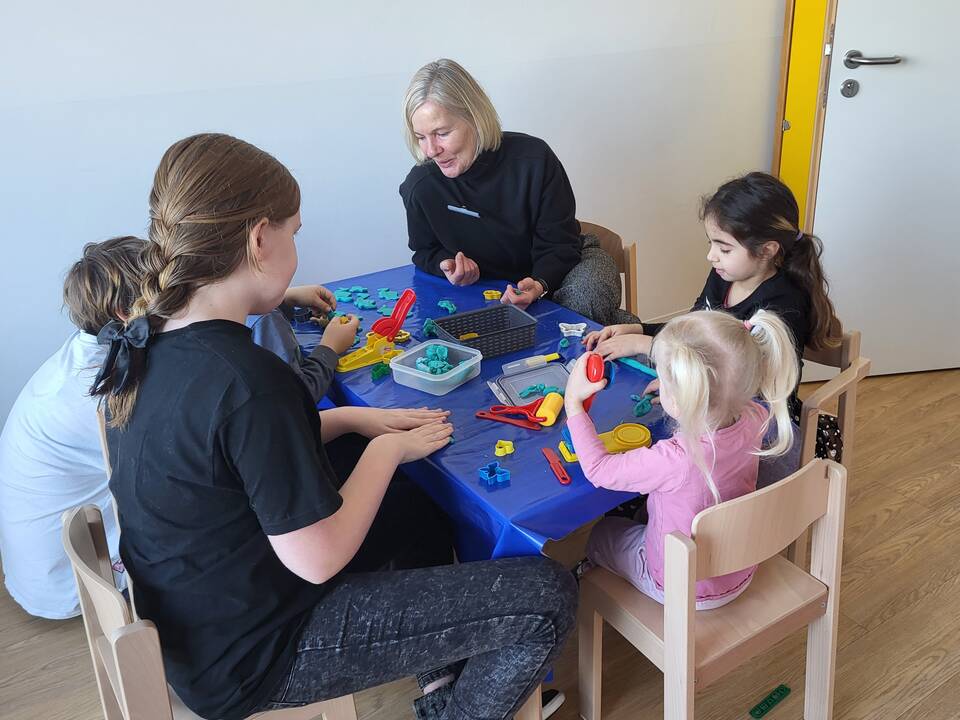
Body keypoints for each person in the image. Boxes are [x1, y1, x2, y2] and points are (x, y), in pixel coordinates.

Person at [93, 133, 576, 720]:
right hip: (261, 649)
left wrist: (353, 421)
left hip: (200, 611)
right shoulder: (246, 379)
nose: (297, 247)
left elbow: (229, 460)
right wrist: (385, 451)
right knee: (547, 596)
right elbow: (318, 558)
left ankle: (441, 681)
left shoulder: (149, 341)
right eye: (294, 233)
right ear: (257, 240)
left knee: (418, 503)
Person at [584, 171, 842, 462]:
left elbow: (740, 379)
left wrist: (647, 345)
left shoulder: (784, 304)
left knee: (657, 458)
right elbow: (695, 332)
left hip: (758, 422)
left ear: (768, 250)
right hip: (715, 400)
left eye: (724, 248)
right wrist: (638, 328)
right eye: (711, 243)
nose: (711, 256)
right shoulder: (725, 274)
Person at [566, 309, 798, 607]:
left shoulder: (675, 459)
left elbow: (599, 470)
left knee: (601, 532)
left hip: (680, 586)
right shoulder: (757, 416)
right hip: (740, 568)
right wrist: (682, 392)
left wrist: (574, 404)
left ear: (682, 395)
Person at [400, 58, 633, 325]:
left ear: (475, 118)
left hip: (567, 269)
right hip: (497, 290)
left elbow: (560, 245)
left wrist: (540, 284)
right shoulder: (420, 186)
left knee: (581, 305)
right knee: (585, 326)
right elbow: (424, 251)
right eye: (421, 137)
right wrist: (447, 264)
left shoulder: (534, 159)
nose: (430, 151)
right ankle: (642, 343)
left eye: (441, 133)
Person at [0, 236, 142, 619]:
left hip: (38, 568)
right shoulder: (99, 393)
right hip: (72, 584)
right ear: (124, 311)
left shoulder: (87, 350)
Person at [245, 284, 359, 404]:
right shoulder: (265, 320)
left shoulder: (236, 308)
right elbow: (298, 398)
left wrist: (285, 299)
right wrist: (329, 348)